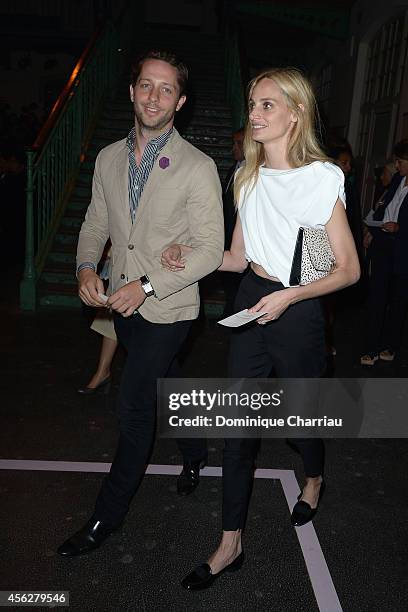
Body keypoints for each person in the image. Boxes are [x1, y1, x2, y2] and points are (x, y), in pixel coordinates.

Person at [162, 67, 360, 590]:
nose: (255, 113)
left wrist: (292, 295)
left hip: (298, 307)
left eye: (268, 104)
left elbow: (347, 269)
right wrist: (188, 254)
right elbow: (235, 256)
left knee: (299, 421)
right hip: (253, 298)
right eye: (253, 103)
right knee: (236, 429)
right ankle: (231, 544)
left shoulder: (320, 177)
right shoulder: (246, 177)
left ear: (296, 113)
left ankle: (313, 476)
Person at [57, 50, 223, 558]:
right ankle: (196, 450)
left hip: (166, 307)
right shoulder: (108, 157)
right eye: (146, 86)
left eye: (166, 88)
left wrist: (148, 285)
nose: (154, 96)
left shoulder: (197, 166)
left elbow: (211, 248)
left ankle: (106, 516)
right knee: (169, 381)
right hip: (121, 305)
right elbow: (97, 224)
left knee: (134, 408)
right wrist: (87, 266)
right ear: (132, 93)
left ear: (181, 101)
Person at [360, 141, 408, 365]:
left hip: (403, 249)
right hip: (384, 244)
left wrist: (400, 227)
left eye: (400, 161)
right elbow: (384, 205)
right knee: (377, 298)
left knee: (398, 301)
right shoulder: (398, 180)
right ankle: (370, 348)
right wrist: (373, 226)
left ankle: (390, 346)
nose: (396, 165)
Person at [222, 127, 245, 316]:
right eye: (234, 142)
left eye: (239, 143)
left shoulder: (253, 172)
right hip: (228, 238)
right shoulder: (234, 169)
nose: (234, 148)